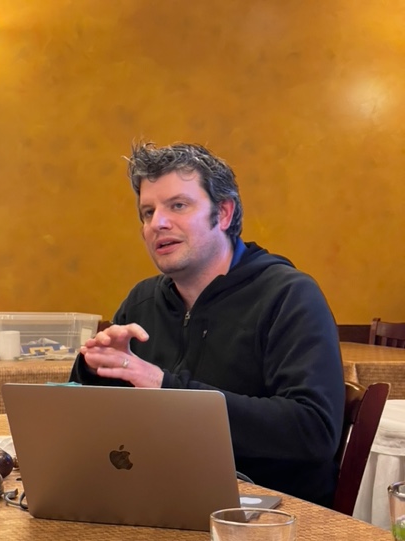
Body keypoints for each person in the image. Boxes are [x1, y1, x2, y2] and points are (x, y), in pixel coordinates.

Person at [70, 142, 345, 507]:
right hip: (157, 498)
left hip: (270, 513)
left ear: (224, 213)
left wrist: (167, 388)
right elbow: (91, 429)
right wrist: (95, 370)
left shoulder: (289, 296)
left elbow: (314, 430)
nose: (157, 223)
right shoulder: (141, 301)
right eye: (148, 212)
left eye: (178, 205)